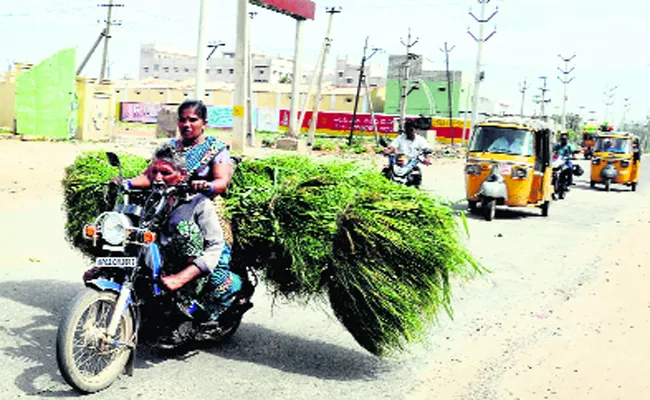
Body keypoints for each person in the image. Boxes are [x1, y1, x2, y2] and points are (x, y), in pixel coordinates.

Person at [126, 99, 236, 260]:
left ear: (204, 123)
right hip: (165, 204)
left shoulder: (216, 149)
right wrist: (126, 182)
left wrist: (206, 185)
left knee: (215, 263)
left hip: (202, 204)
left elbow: (222, 181)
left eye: (193, 120)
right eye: (182, 120)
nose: (187, 124)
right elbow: (149, 176)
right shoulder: (168, 147)